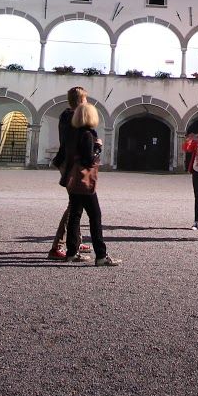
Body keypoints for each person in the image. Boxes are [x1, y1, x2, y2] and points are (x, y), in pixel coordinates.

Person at [63, 100, 119, 266]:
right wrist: (98, 148)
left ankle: (71, 252)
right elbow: (88, 160)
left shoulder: (72, 132)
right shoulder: (87, 134)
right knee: (95, 216)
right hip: (84, 182)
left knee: (75, 215)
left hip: (73, 179)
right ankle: (101, 256)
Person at [49, 86, 93, 260]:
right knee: (74, 205)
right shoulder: (75, 118)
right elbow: (77, 143)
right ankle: (57, 246)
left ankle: (75, 240)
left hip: (67, 162)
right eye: (85, 99)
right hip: (72, 164)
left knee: (76, 202)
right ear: (81, 100)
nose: (87, 102)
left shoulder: (66, 115)